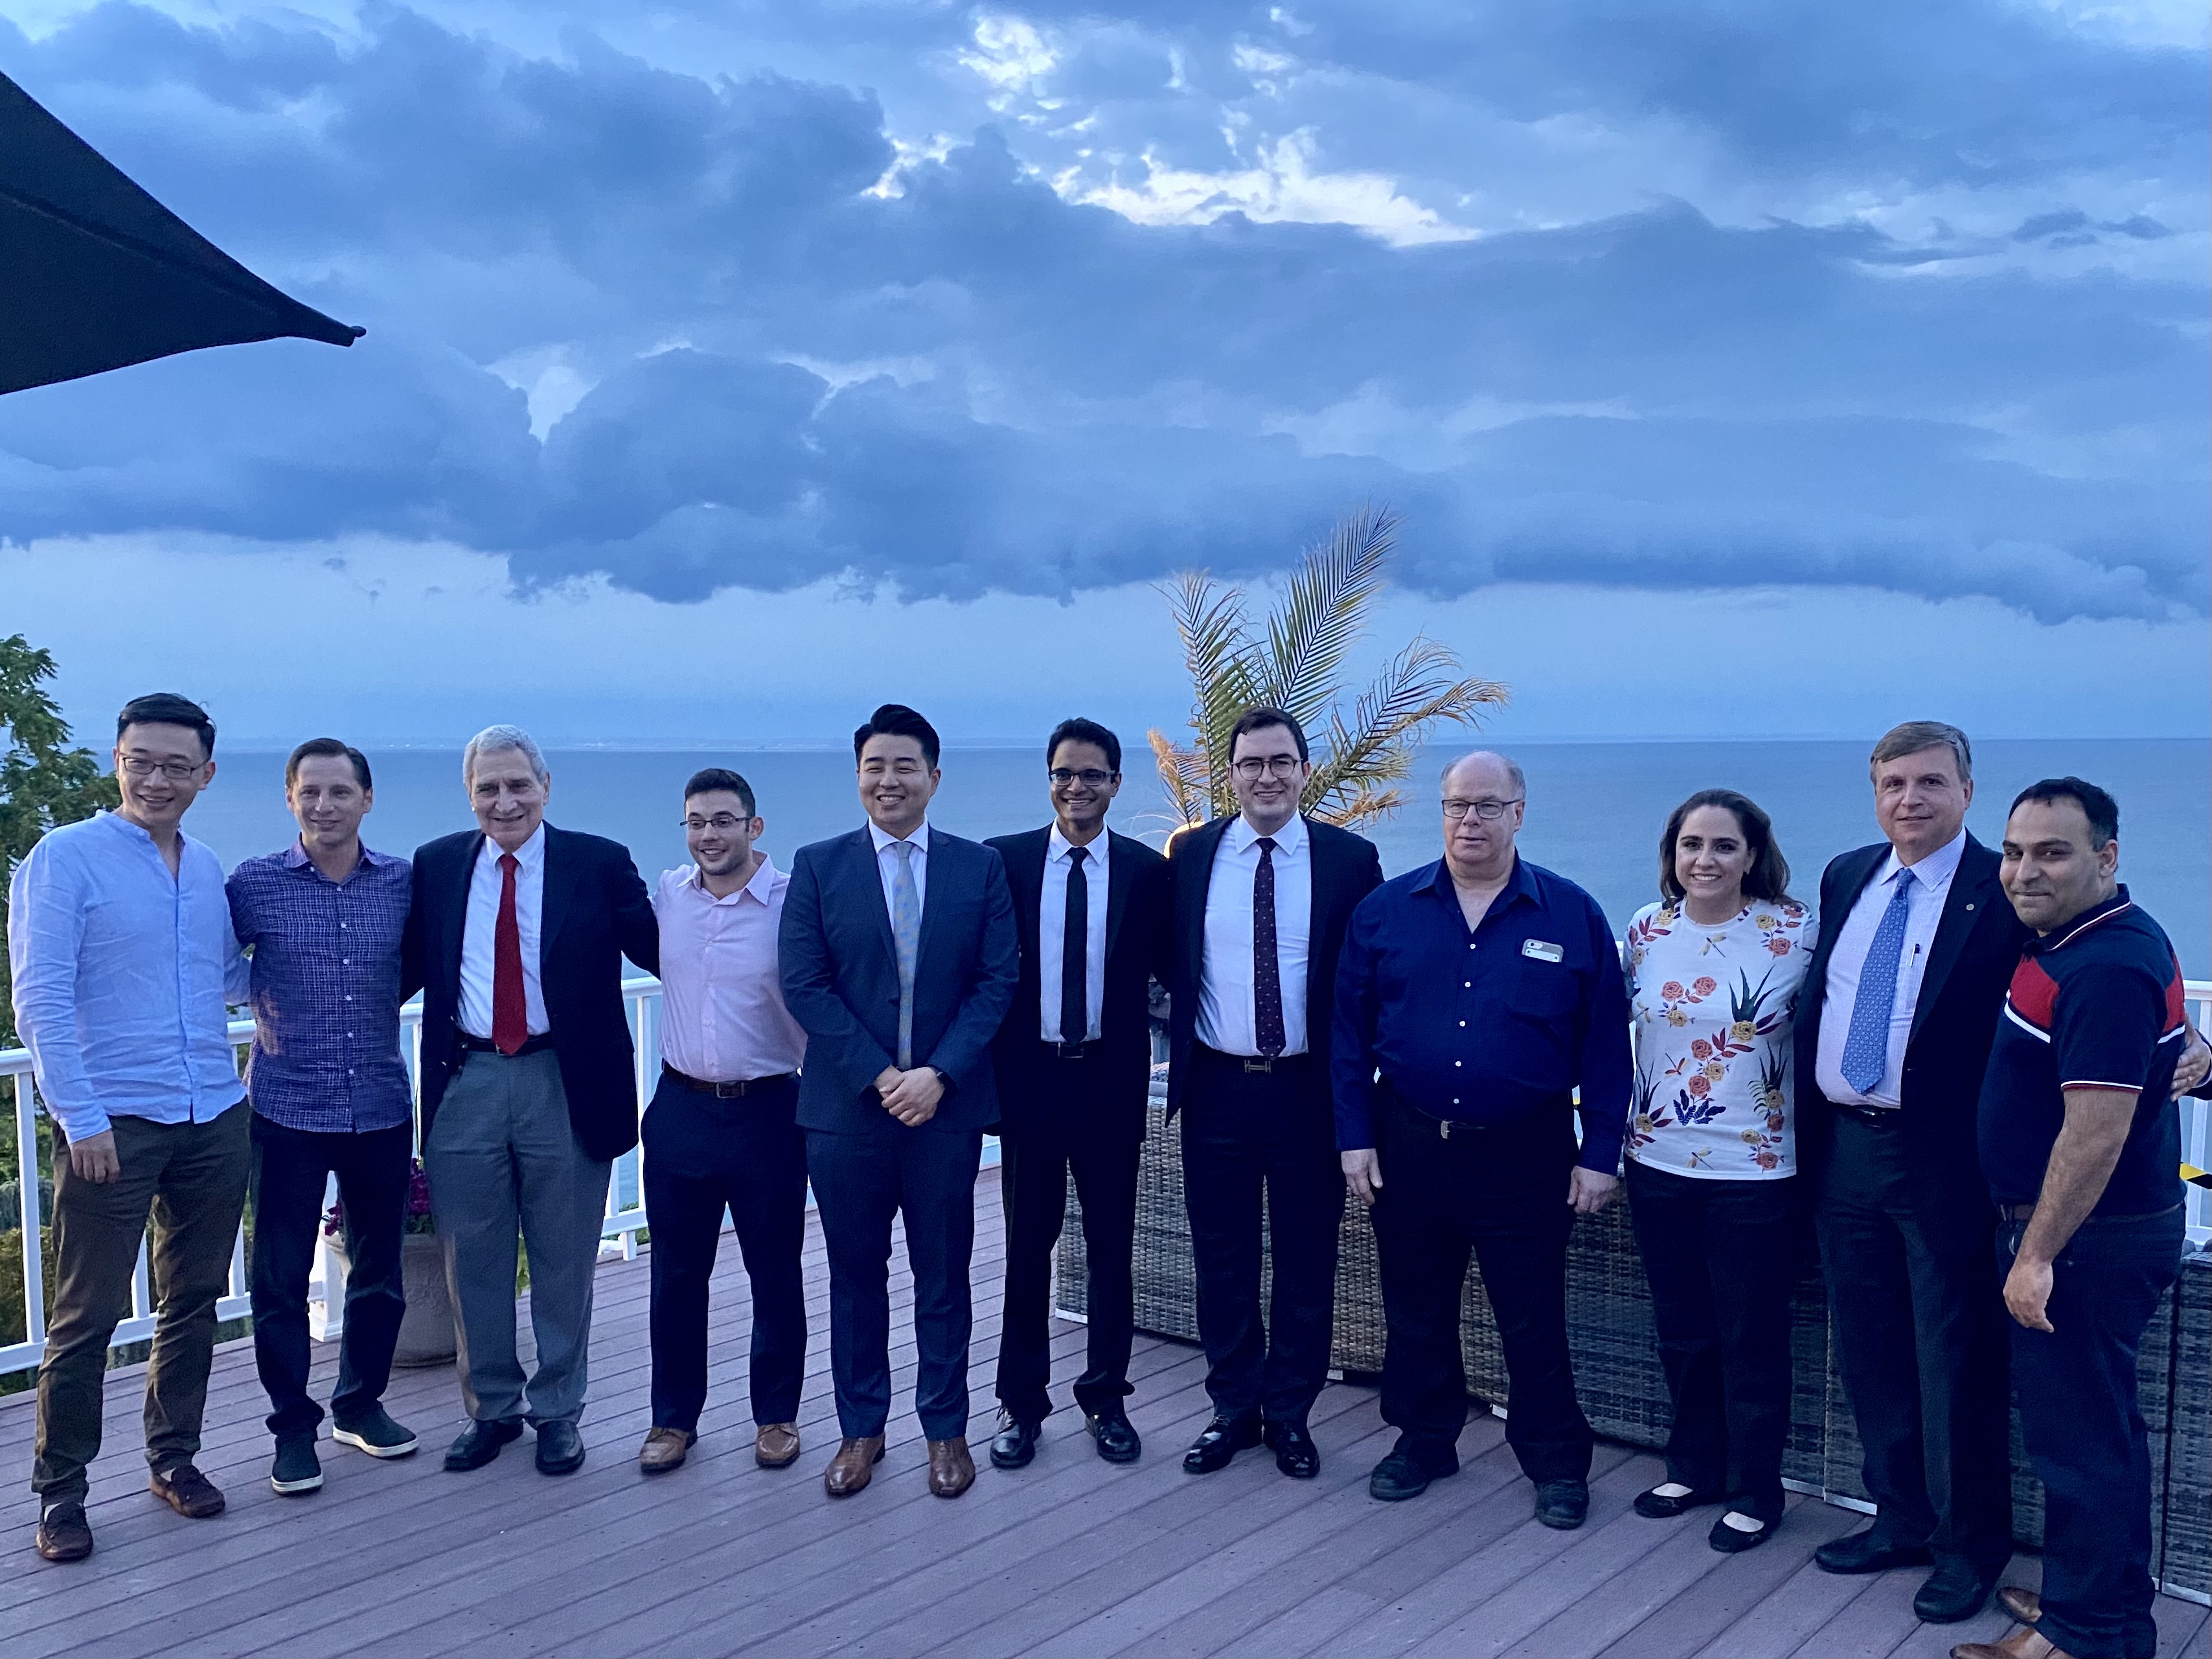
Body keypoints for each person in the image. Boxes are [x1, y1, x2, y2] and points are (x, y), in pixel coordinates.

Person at [1334, 750, 1629, 1529]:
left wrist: (1600, 1149)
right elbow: (1346, 1035)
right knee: (1416, 1309)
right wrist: (1353, 1136)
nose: (1470, 820)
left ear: (1519, 813)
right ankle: (1425, 1440)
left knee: (1531, 1315)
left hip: (1525, 1153)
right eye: (1457, 805)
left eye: (1488, 806)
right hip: (1407, 1146)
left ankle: (1557, 1463)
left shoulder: (1571, 914)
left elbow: (1605, 1046)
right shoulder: (1386, 911)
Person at [1954, 780, 2195, 1659]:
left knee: (2081, 1443)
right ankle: (2089, 1604)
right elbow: (2160, 1049)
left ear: (2105, 857)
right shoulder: (2083, 938)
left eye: (2050, 853)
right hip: (2087, 1231)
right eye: (2013, 851)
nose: (2023, 870)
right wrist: (2194, 1054)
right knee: (2089, 1431)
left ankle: (2088, 1636)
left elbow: (2094, 1133)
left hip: (2084, 1239)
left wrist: (2035, 1254)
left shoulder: (2100, 965)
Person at [10, 693, 249, 1564]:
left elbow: (228, 981)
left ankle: (173, 1458)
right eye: (140, 760)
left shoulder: (208, 867)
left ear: (205, 776)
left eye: (176, 766)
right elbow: (39, 999)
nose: (156, 778)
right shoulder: (65, 858)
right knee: (87, 1315)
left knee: (194, 1301)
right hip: (114, 1122)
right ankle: (60, 1493)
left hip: (215, 1114)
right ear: (115, 760)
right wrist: (81, 1117)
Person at [1796, 719, 2023, 1621]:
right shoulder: (1848, 874)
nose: (1908, 800)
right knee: (1871, 1349)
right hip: (1842, 1151)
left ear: (1966, 790)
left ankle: (1968, 1550)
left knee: (1953, 1360)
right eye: (1892, 784)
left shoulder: (1999, 886)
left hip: (1943, 1161)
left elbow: (2079, 964)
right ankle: (1896, 1517)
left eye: (1928, 783)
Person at [401, 724, 657, 1477]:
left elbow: (666, 946)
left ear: (546, 785)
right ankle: (491, 1409)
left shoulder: (597, 862)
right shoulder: (439, 864)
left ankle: (557, 1410)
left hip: (564, 1081)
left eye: (519, 784)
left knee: (563, 1256)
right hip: (467, 1078)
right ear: (469, 793)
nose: (504, 800)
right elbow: (401, 967)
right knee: (471, 1258)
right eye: (488, 787)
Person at [779, 704, 1020, 1500]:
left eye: (904, 766)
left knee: (943, 1274)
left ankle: (945, 1430)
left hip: (944, 1110)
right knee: (855, 1275)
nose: (889, 779)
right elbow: (806, 983)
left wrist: (937, 1074)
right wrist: (882, 1076)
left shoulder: (976, 866)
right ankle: (861, 1428)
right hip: (846, 1113)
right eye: (874, 767)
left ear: (934, 778)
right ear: (858, 778)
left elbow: (996, 981)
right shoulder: (818, 866)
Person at [1164, 706, 1382, 1482]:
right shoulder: (1191, 856)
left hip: (1306, 1092)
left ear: (1303, 770)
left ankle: (1289, 1413)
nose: (1266, 775)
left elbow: (1367, 987)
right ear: (1230, 774)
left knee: (1305, 1259)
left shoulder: (1351, 860)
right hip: (1217, 1087)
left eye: (1280, 761)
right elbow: (1166, 964)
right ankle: (1232, 1408)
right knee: (1219, 1257)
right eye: (1251, 762)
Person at [1619, 790, 1816, 1551]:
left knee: (1752, 1333)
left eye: (1723, 846)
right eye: (1690, 844)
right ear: (1672, 853)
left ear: (1752, 855)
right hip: (1656, 1159)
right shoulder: (1646, 926)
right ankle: (1695, 1465)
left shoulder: (1794, 931)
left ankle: (1757, 1487)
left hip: (1757, 1167)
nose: (1705, 859)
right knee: (1683, 1329)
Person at [227, 738, 418, 1498]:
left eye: (340, 791)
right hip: (285, 1107)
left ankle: (360, 1404)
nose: (324, 804)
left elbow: (430, 963)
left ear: (367, 799)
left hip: (377, 1103)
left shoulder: (404, 883)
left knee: (379, 1271)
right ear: (289, 799)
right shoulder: (255, 884)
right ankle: (292, 1428)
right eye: (310, 791)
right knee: (276, 1278)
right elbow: (204, 957)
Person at [984, 718, 1168, 1471]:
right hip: (1030, 1081)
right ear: (1049, 778)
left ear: (1116, 784)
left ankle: (1106, 1398)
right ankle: (1019, 1405)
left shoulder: (1144, 872)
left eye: (1092, 774)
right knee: (1028, 1249)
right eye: (1063, 772)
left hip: (1109, 1081)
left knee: (1109, 1249)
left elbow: (1173, 973)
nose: (1076, 786)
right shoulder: (1007, 861)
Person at [637, 768, 810, 1476]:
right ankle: (673, 1419)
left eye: (723, 820)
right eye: (696, 821)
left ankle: (776, 1415)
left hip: (769, 1107)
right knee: (676, 1274)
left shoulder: (794, 900)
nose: (709, 833)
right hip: (679, 1106)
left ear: (754, 826)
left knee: (774, 1271)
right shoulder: (667, 897)